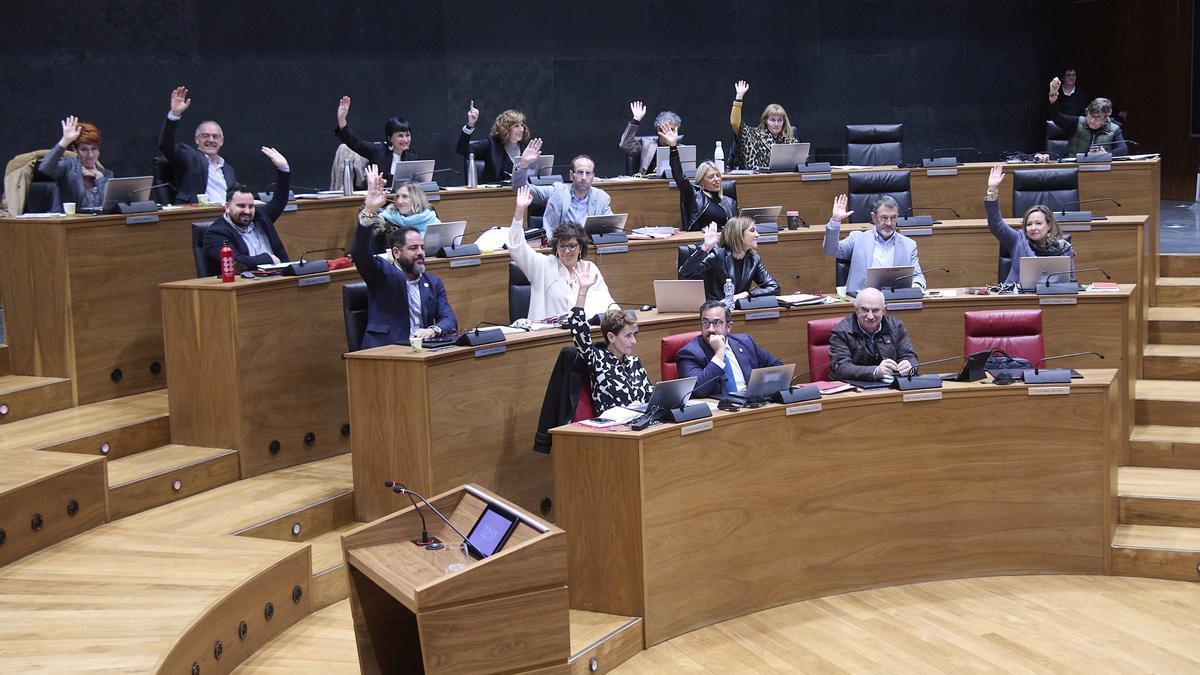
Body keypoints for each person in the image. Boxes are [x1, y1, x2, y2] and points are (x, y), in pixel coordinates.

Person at [353, 165, 457, 349]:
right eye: (413, 248)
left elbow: (448, 319)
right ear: (396, 252)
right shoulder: (381, 274)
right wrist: (369, 209)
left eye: (422, 248)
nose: (420, 253)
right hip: (385, 350)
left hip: (421, 349)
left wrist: (433, 330)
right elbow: (360, 253)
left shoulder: (433, 283)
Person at [508, 185, 615, 320]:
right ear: (556, 248)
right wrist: (519, 210)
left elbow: (608, 306)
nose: (567, 251)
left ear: (581, 247)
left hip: (582, 333)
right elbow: (516, 247)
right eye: (562, 246)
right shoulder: (542, 265)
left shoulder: (589, 269)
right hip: (548, 335)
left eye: (572, 246)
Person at [567, 270, 652, 412]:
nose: (634, 341)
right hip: (612, 427)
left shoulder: (634, 363)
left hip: (640, 422)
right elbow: (578, 328)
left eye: (634, 335)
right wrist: (583, 290)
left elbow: (651, 398)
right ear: (611, 337)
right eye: (628, 336)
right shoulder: (596, 359)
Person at [203, 147, 292, 272]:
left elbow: (279, 201)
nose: (247, 211)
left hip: (278, 280)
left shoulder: (260, 219)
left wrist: (283, 170)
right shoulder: (216, 233)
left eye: (251, 206)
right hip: (247, 285)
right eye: (241, 206)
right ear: (227, 207)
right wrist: (268, 259)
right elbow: (236, 262)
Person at [984, 166, 1074, 285]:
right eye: (1029, 224)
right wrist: (992, 190)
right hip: (1018, 298)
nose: (1033, 228)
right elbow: (996, 223)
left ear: (1049, 225)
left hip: (1053, 297)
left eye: (1038, 223)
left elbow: (1071, 281)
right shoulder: (1017, 240)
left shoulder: (1064, 248)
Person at [675, 300, 783, 398]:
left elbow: (778, 366)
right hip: (721, 412)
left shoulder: (745, 342)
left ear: (729, 326)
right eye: (705, 323)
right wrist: (719, 352)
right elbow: (697, 390)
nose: (711, 329)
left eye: (717, 323)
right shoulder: (689, 353)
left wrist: (758, 390)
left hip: (751, 404)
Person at [822, 194, 925, 296]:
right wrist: (835, 221)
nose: (889, 223)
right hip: (860, 302)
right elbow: (830, 250)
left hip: (894, 300)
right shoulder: (858, 239)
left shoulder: (909, 245)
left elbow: (918, 276)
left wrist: (916, 285)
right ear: (874, 217)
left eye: (893, 218)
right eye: (884, 218)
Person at [511, 138, 613, 235]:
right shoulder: (557, 191)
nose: (584, 177)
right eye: (580, 172)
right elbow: (520, 189)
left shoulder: (601, 197)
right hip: (558, 247)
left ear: (593, 176)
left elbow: (612, 227)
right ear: (571, 175)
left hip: (588, 247)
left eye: (588, 173)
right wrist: (523, 164)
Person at [159, 86, 236, 204]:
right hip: (197, 217)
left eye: (215, 136)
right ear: (197, 140)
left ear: (222, 141)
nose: (211, 140)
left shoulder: (228, 169)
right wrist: (174, 115)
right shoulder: (188, 157)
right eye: (205, 135)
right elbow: (166, 144)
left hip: (225, 217)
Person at [827, 287, 919, 382]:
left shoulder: (896, 327)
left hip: (888, 386)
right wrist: (875, 371)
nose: (870, 316)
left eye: (875, 310)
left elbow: (909, 356)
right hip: (852, 388)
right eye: (865, 310)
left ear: (883, 311)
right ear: (856, 309)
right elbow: (841, 367)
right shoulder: (841, 331)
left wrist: (910, 366)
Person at [679, 217, 779, 302]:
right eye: (752, 230)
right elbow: (685, 273)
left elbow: (774, 287)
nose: (757, 234)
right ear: (738, 234)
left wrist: (746, 294)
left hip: (737, 311)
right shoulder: (717, 255)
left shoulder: (753, 259)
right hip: (715, 310)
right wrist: (705, 248)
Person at [659, 125, 736, 231]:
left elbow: (737, 228)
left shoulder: (729, 202)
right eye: (711, 177)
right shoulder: (695, 196)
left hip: (725, 241)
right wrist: (673, 148)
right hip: (702, 241)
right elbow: (679, 177)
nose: (716, 179)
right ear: (701, 181)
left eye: (718, 176)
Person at [333, 96, 419, 184]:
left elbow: (415, 183)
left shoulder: (412, 159)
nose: (405, 139)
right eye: (400, 136)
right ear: (390, 138)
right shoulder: (378, 151)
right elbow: (355, 143)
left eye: (407, 135)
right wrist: (342, 119)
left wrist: (386, 181)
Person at [37, 115, 111, 211]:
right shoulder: (68, 166)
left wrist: (100, 179)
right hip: (68, 222)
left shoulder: (106, 174)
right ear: (75, 150)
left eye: (94, 149)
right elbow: (45, 168)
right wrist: (65, 141)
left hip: (96, 223)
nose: (90, 155)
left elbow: (110, 207)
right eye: (84, 150)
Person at [729, 80, 801, 171]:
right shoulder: (753, 135)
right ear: (765, 121)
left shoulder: (791, 141)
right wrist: (739, 97)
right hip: (759, 181)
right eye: (772, 120)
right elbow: (735, 123)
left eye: (779, 120)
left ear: (784, 122)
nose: (776, 124)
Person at [1047, 77, 1128, 157]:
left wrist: (1106, 154)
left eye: (1097, 117)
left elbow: (1123, 150)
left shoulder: (1114, 129)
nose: (1092, 120)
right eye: (1091, 115)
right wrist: (1053, 94)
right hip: (1076, 167)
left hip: (1100, 168)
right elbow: (1056, 116)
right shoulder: (1077, 123)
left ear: (1105, 118)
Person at [456, 101, 531, 184]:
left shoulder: (524, 146)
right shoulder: (492, 145)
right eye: (516, 126)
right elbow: (462, 149)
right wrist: (470, 125)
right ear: (505, 128)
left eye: (522, 125)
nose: (521, 129)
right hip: (496, 193)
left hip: (521, 192)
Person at [369, 181, 441, 254]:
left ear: (416, 199)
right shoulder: (385, 220)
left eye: (405, 196)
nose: (399, 201)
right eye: (397, 197)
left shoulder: (431, 219)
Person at [618, 101, 682, 175]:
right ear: (659, 130)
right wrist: (636, 120)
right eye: (670, 129)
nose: (672, 134)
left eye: (675, 130)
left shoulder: (680, 149)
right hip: (648, 184)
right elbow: (624, 145)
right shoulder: (646, 146)